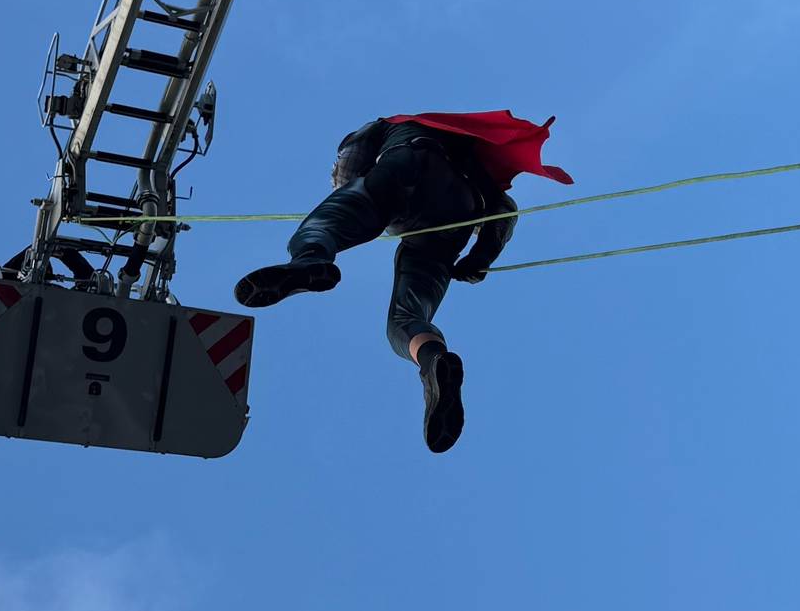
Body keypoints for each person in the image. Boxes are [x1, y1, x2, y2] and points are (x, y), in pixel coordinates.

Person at [232, 110, 571, 452]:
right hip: (459, 212)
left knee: (325, 226)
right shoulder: (478, 159)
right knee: (408, 317)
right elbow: (504, 216)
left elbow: (350, 169)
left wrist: (349, 190)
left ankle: (309, 262)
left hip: (409, 166)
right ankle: (432, 361)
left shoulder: (389, 125)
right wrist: (478, 261)